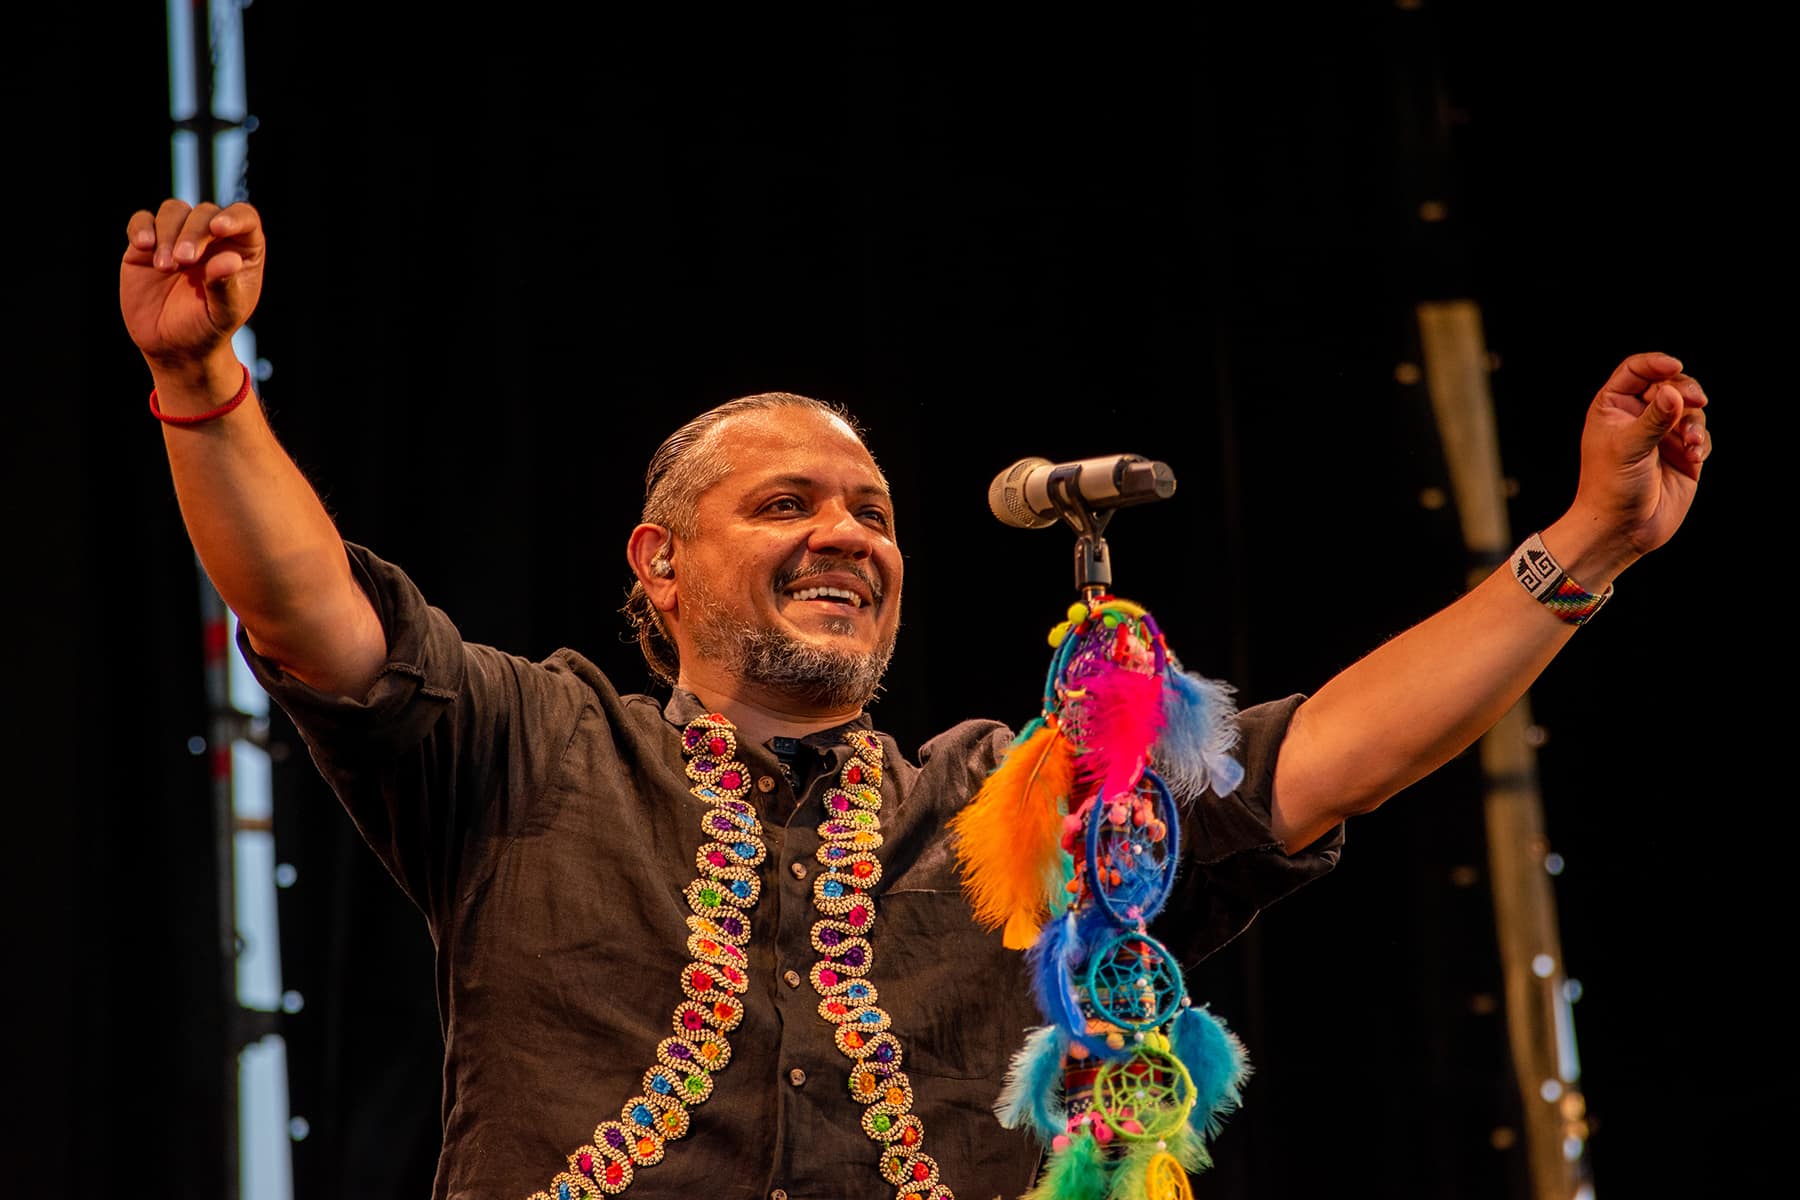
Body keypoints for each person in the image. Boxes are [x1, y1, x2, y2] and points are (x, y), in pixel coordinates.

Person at [121, 198, 1710, 1200]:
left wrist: (1590, 543)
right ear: (658, 565)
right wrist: (203, 390)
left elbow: (1328, 761)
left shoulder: (1011, 803)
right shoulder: (530, 746)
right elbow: (310, 611)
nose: (847, 536)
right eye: (788, 505)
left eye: (873, 514)